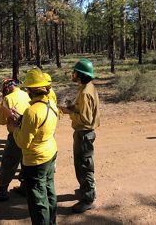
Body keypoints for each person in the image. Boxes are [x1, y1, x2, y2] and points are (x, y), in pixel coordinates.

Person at [12, 69, 59, 224]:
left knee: (38, 200)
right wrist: (22, 121)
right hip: (50, 153)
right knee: (49, 191)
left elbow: (23, 143)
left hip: (35, 161)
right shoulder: (51, 103)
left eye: (27, 89)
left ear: (31, 90)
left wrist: (15, 128)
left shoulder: (32, 111)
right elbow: (41, 127)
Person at [59, 59, 100, 214]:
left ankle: (88, 199)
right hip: (84, 133)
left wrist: (69, 112)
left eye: (75, 72)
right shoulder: (88, 87)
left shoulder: (85, 92)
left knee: (84, 167)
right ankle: (86, 189)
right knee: (83, 165)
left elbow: (86, 119)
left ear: (81, 75)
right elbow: (84, 111)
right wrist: (73, 108)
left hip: (84, 133)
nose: (73, 74)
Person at [0, 78, 31, 202]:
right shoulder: (26, 94)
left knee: (9, 163)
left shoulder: (8, 99)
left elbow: (1, 121)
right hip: (28, 135)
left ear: (6, 89)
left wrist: (3, 106)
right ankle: (24, 187)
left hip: (16, 135)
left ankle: (2, 192)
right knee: (25, 162)